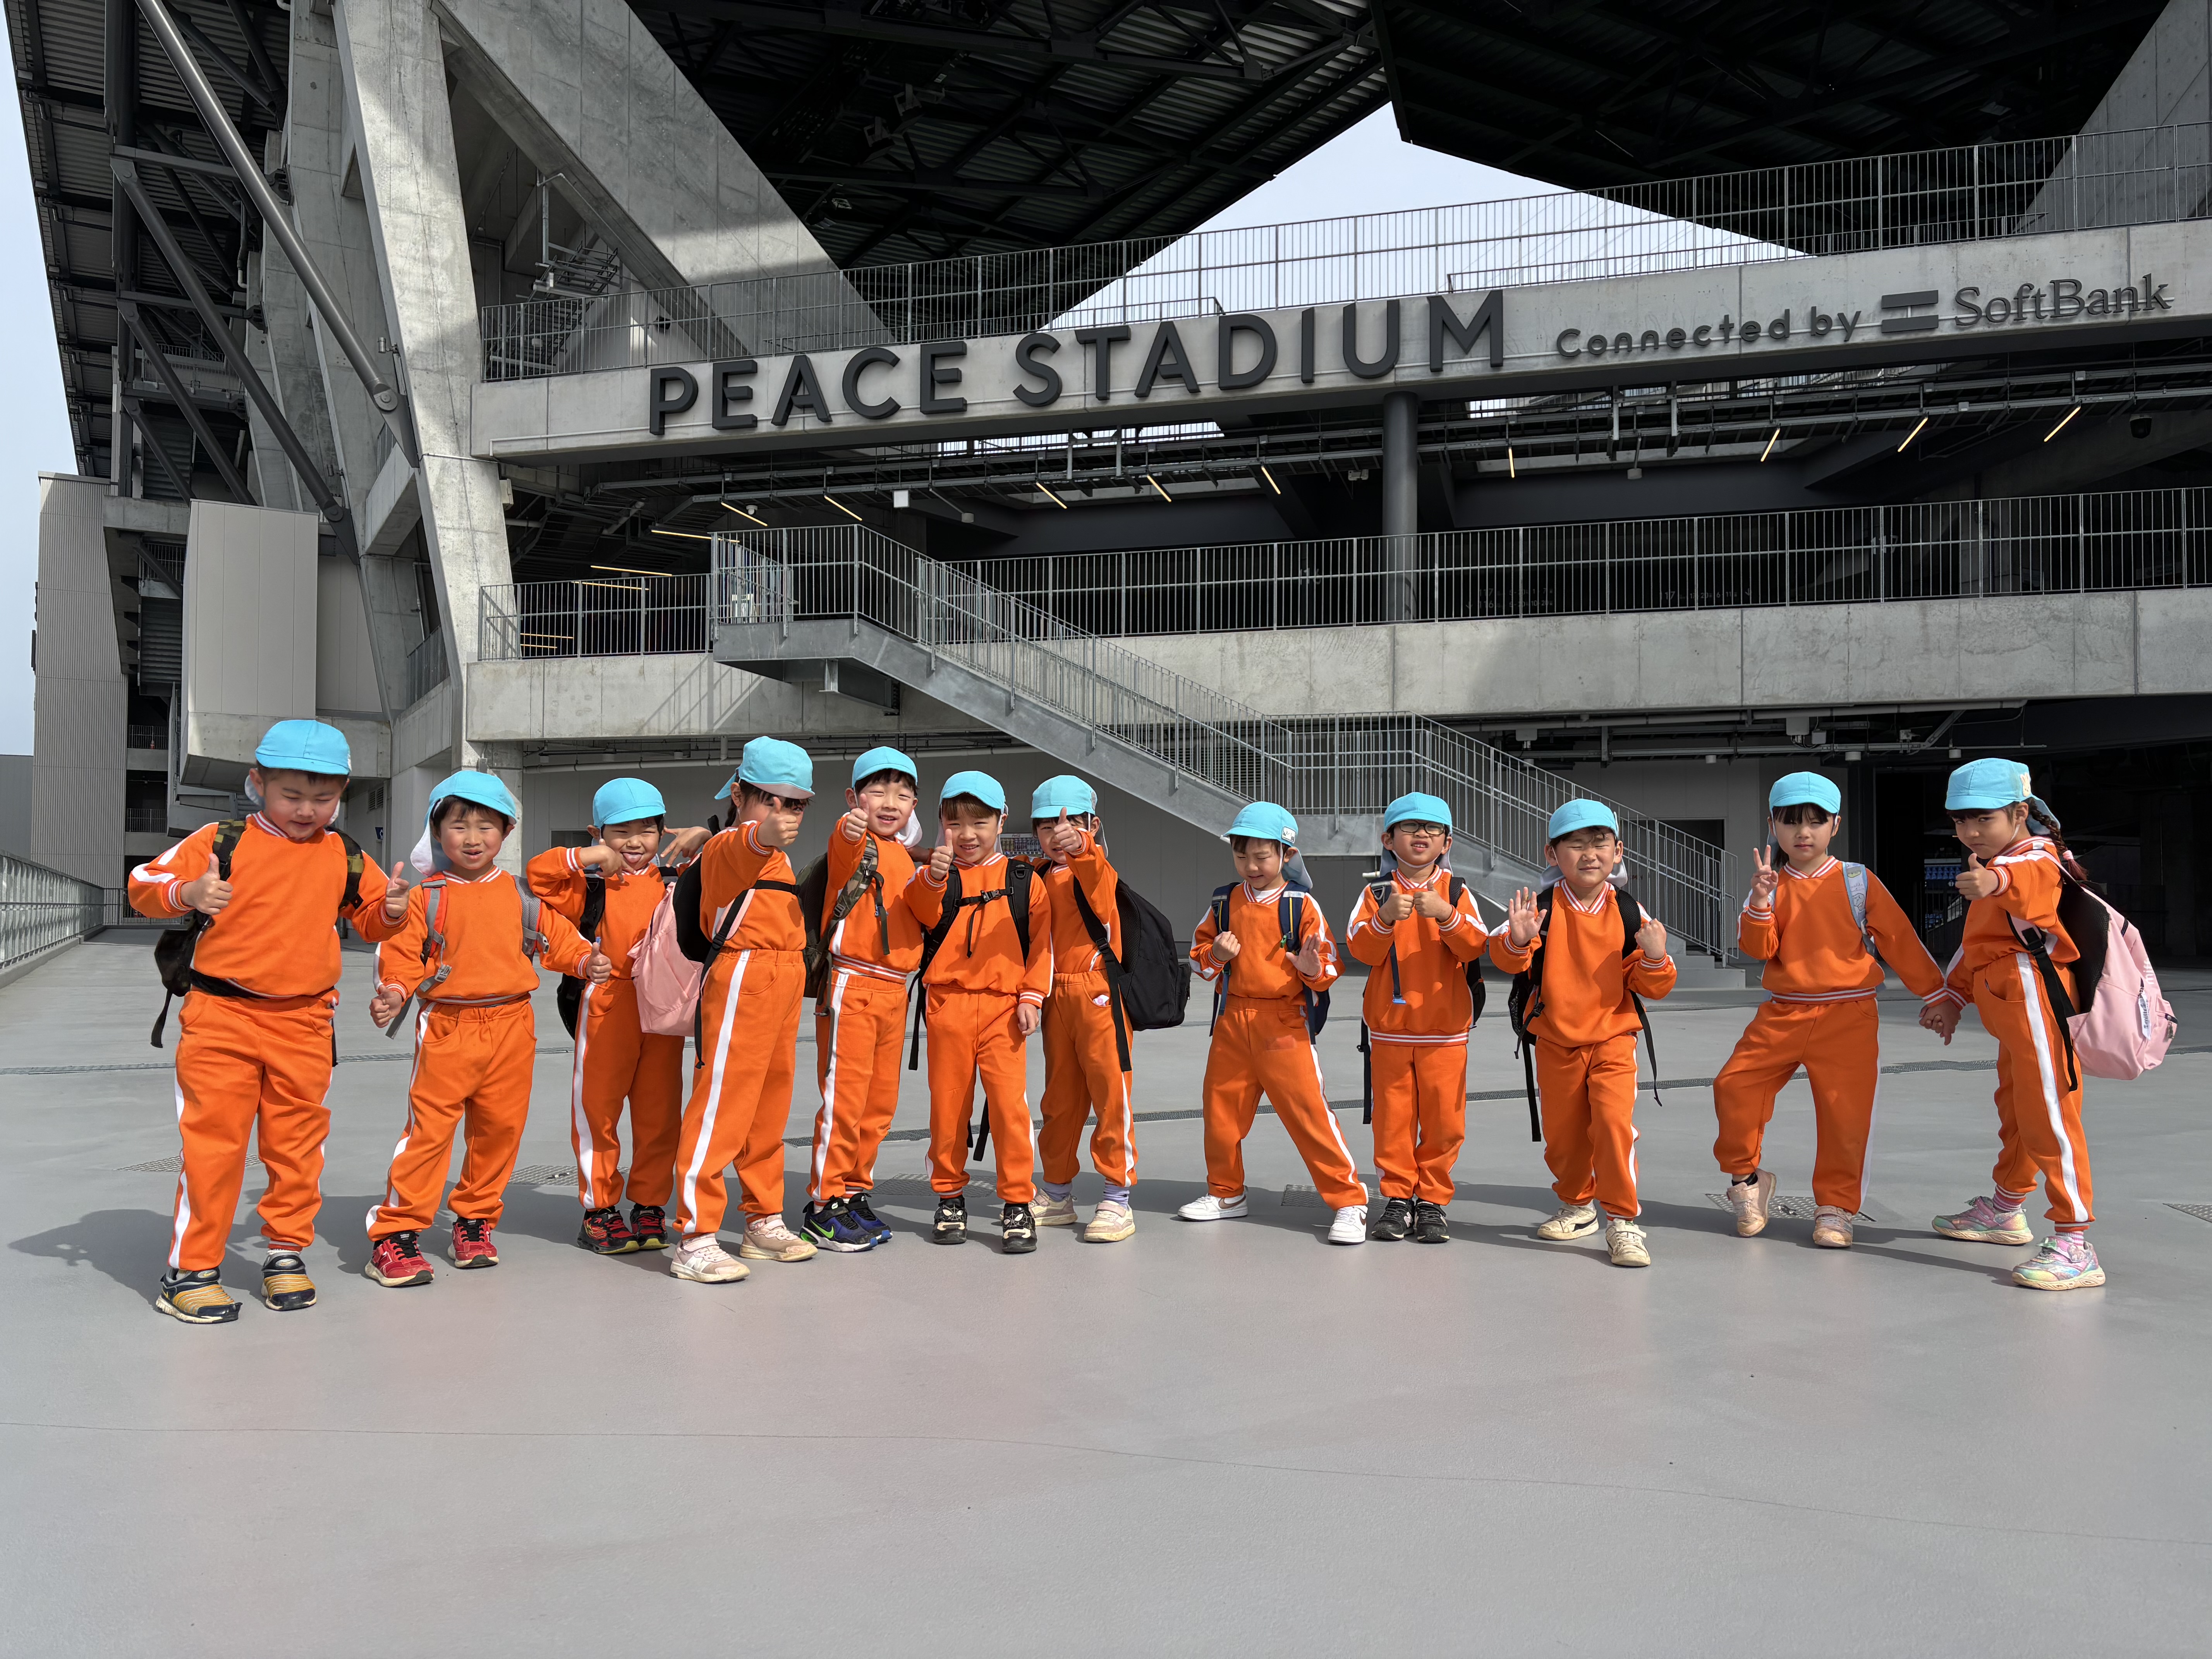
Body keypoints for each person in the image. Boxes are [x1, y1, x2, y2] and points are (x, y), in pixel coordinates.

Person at [127, 720, 398, 1324]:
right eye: (291, 795)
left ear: (342, 793)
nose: (306, 810)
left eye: (322, 798)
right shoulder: (220, 840)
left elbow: (374, 919)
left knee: (297, 1150)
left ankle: (284, 1253)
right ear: (258, 783)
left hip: (305, 1023)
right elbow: (143, 884)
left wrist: (395, 911)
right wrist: (188, 894)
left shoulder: (345, 855)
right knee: (215, 1148)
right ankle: (190, 1271)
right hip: (221, 1018)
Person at [366, 771, 608, 1286]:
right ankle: (396, 1232)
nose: (473, 839)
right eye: (459, 826)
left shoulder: (521, 894)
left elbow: (559, 940)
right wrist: (394, 992)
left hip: (513, 1025)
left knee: (500, 1131)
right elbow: (403, 956)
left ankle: (475, 1221)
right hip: (447, 1026)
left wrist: (587, 962)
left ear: (506, 831)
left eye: (486, 827)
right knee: (429, 1133)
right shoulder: (426, 897)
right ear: (438, 832)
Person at [1714, 773, 1949, 1247]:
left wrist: (1938, 995)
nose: (1804, 832)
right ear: (1773, 826)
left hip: (1849, 1015)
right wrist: (1759, 900)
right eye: (1791, 821)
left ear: (1835, 825)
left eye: (1816, 821)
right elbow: (1758, 949)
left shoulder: (1857, 880)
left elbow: (1900, 940)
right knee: (1734, 1086)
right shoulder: (1770, 885)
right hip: (1783, 1012)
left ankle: (1836, 1209)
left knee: (1846, 1115)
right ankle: (1748, 1180)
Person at [1922, 759, 2105, 1290]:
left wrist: (1994, 879)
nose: (1971, 831)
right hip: (2009, 1007)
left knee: (2051, 1113)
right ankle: (2006, 1209)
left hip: (2035, 999)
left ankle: (2076, 1241)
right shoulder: (1998, 863)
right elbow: (1977, 943)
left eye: (1984, 819)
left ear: (2020, 813)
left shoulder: (2033, 858)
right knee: (2020, 1109)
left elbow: (2027, 882)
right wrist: (1954, 995)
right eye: (1961, 820)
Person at [526, 778, 710, 1255]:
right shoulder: (588, 884)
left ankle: (649, 1204)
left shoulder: (675, 878)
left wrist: (706, 837)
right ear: (598, 833)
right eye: (620, 832)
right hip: (607, 1001)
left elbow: (723, 872)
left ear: (662, 831)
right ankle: (600, 1210)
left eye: (646, 830)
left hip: (662, 1005)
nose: (634, 842)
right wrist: (586, 857)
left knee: (660, 1113)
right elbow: (538, 876)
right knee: (599, 1109)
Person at [1491, 800, 1676, 1268]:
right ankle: (1578, 1206)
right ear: (1552, 854)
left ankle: (1623, 1220)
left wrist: (1656, 958)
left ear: (1618, 852)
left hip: (1614, 1038)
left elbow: (1654, 985)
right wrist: (1518, 939)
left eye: (1600, 843)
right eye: (1576, 844)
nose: (1590, 854)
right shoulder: (1540, 909)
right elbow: (1506, 957)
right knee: (1564, 1136)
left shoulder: (1629, 911)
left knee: (1613, 1125)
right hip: (1556, 1040)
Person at [666, 737, 819, 1283]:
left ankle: (763, 1218)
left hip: (783, 979)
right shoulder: (731, 845)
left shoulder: (778, 855)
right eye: (769, 800)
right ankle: (695, 1236)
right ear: (739, 795)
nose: (783, 813)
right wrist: (759, 834)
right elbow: (738, 852)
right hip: (742, 977)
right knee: (722, 1105)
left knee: (769, 1108)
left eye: (795, 804)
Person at [1179, 803, 1368, 1245]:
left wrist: (1311, 969)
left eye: (1262, 856)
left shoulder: (1301, 905)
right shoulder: (1223, 902)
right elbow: (1199, 962)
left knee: (1309, 1115)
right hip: (1232, 1021)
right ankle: (1226, 1193)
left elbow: (1329, 966)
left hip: (1285, 1023)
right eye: (1241, 855)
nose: (1251, 866)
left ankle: (1349, 1202)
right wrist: (1216, 955)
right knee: (1221, 1113)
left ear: (1287, 854)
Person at [903, 770, 1053, 1253]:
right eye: (955, 823)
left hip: (1004, 1010)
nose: (967, 835)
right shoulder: (935, 876)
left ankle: (1017, 1202)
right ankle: (949, 1197)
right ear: (941, 823)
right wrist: (933, 876)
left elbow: (1042, 948)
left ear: (1001, 821)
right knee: (948, 1108)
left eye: (979, 822)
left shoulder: (1023, 880)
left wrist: (1031, 997)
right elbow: (918, 911)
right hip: (946, 1006)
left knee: (1010, 1109)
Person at [1343, 792, 1489, 1244]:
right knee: (1393, 1121)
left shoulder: (1458, 892)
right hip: (1390, 1031)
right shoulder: (1375, 893)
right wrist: (1385, 919)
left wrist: (1447, 916)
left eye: (1432, 828)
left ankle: (1432, 1201)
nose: (1421, 834)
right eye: (1409, 827)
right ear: (1389, 840)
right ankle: (1397, 1198)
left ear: (1447, 842)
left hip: (1445, 1031)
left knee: (1445, 1122)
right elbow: (1360, 949)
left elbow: (1476, 945)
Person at [801, 747, 925, 1253]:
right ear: (854, 798)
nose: (890, 803)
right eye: (877, 791)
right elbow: (844, 841)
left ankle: (853, 1192)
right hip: (852, 984)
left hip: (894, 990)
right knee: (845, 1101)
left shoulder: (904, 856)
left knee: (878, 1105)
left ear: (915, 804)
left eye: (902, 794)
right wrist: (849, 828)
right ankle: (824, 1205)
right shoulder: (854, 841)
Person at [1028, 775, 1139, 1243]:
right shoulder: (1035, 875)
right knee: (1060, 1101)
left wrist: (1083, 848)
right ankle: (1057, 1193)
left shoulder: (1097, 868)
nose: (1059, 833)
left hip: (1098, 994)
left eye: (1072, 823)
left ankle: (1117, 1197)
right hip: (1055, 996)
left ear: (1093, 825)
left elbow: (1093, 871)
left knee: (1111, 1095)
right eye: (1047, 826)